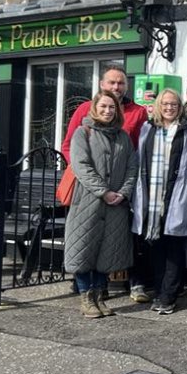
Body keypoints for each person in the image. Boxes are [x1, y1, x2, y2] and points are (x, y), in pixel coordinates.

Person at [60, 65, 150, 302]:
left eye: (120, 83)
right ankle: (86, 294)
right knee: (84, 242)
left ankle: (106, 291)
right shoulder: (83, 116)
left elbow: (136, 155)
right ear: (102, 85)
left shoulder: (137, 113)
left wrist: (123, 190)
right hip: (89, 192)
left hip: (120, 194)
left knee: (112, 245)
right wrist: (87, 175)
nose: (116, 87)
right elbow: (71, 147)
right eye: (111, 82)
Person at [64, 92, 138, 319]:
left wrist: (123, 193)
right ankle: (86, 296)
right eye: (103, 107)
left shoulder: (123, 137)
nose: (108, 111)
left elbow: (131, 168)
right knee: (84, 249)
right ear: (95, 108)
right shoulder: (82, 133)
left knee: (107, 252)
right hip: (87, 204)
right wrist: (103, 192)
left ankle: (98, 295)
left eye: (112, 107)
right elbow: (81, 166)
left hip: (115, 206)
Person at [131, 89, 187, 314]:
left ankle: (167, 297)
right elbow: (138, 161)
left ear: (180, 107)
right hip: (151, 200)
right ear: (159, 106)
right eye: (165, 104)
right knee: (157, 248)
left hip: (176, 197)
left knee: (174, 248)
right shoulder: (147, 129)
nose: (170, 107)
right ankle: (161, 291)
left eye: (174, 104)